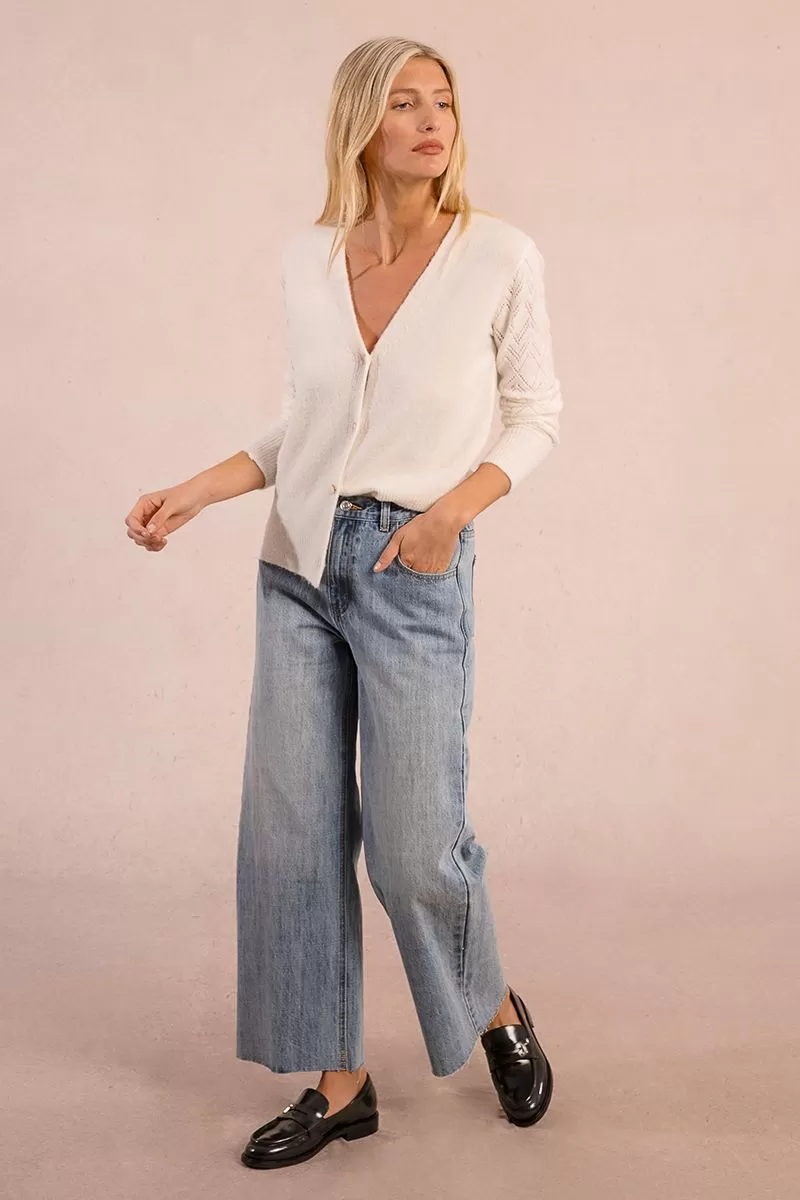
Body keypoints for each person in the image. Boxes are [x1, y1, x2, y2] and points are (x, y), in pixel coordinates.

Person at [124, 36, 562, 1170]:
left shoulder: (498, 255)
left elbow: (535, 415)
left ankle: (492, 1006)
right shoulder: (308, 260)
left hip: (411, 568)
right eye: (404, 103)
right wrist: (200, 489)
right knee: (293, 836)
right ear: (361, 123)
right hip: (296, 566)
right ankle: (339, 1082)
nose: (431, 121)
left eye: (443, 102)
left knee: (414, 847)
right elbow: (307, 424)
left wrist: (448, 515)